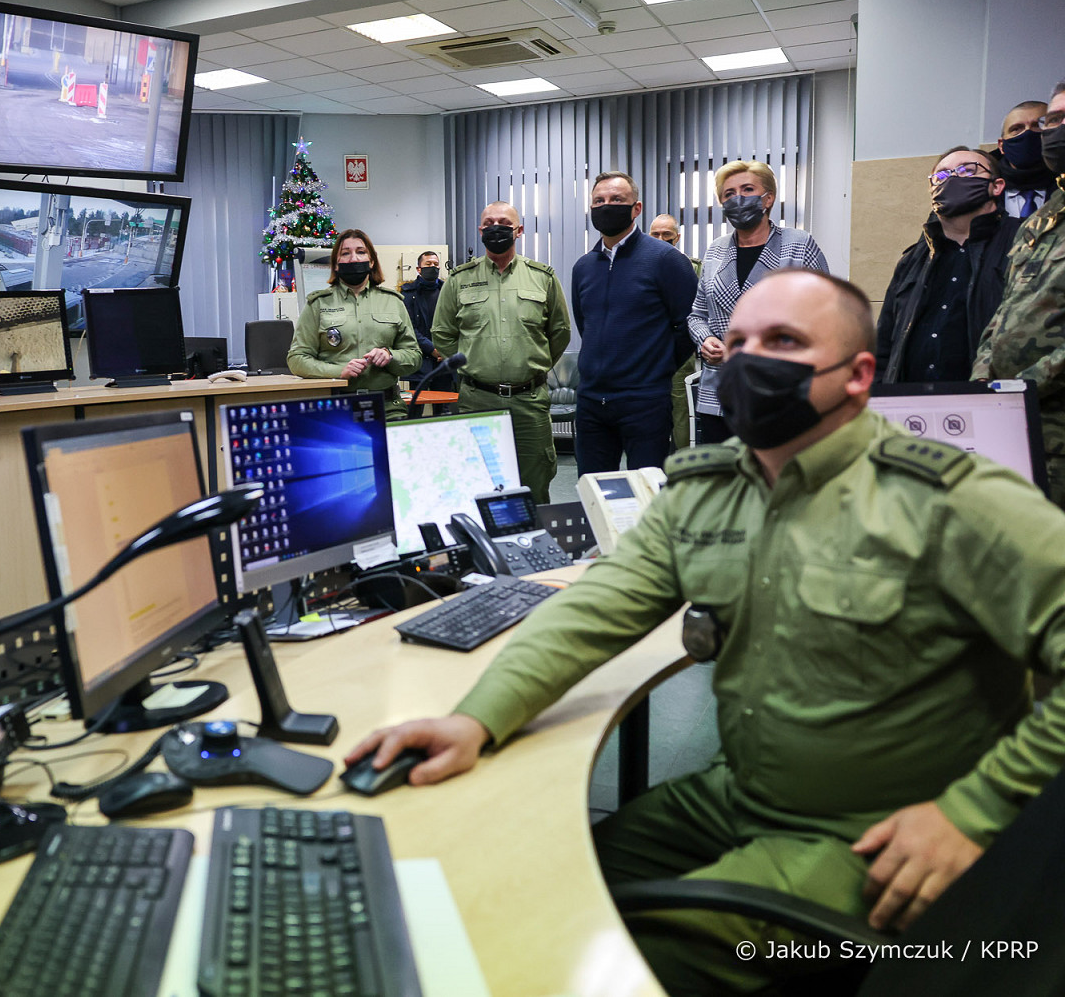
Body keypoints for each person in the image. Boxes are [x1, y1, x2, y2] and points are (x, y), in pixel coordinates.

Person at [350, 268, 1065, 997]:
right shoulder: (706, 491)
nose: (750, 361)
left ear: (857, 377)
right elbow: (593, 610)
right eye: (740, 342)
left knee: (618, 959)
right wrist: (475, 719)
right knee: (549, 878)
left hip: (871, 833)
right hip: (740, 796)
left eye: (783, 342)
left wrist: (972, 816)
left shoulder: (952, 502)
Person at [430, 202, 571, 501]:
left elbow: (560, 332)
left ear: (519, 230)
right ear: (480, 230)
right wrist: (474, 362)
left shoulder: (542, 277)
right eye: (489, 223)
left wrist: (532, 363)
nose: (496, 228)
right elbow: (441, 333)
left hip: (529, 401)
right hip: (477, 400)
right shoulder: (459, 279)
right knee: (477, 485)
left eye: (505, 223)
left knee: (535, 486)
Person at [687, 160, 828, 445]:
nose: (737, 198)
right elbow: (696, 315)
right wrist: (705, 340)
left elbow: (826, 315)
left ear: (768, 198)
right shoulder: (715, 250)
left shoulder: (799, 244)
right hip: (721, 391)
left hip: (781, 391)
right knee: (722, 470)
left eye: (747, 189)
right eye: (728, 194)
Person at [973, 80, 1065, 504]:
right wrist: (982, 383)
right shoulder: (1041, 220)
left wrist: (1022, 388)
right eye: (1054, 121)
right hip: (1015, 427)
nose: (1053, 130)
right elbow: (1005, 312)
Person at [570, 173, 697, 473]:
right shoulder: (584, 267)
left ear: (636, 208)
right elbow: (586, 325)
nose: (606, 206)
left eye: (617, 199)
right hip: (591, 401)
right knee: (593, 489)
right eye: (599, 201)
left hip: (645, 401)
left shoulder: (665, 259)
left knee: (646, 489)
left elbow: (688, 325)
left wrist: (657, 367)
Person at [876, 147, 1020, 383]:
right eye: (941, 175)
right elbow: (884, 346)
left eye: (967, 170)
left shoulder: (1023, 243)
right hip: (912, 399)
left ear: (997, 186)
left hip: (991, 396)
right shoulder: (913, 260)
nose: (952, 178)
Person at [287, 228, 420, 420]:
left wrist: (390, 356)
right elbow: (297, 359)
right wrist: (338, 371)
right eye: (345, 253)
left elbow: (414, 356)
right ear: (336, 264)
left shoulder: (393, 301)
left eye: (361, 252)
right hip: (336, 409)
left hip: (387, 408)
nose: (354, 259)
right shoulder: (318, 304)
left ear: (371, 261)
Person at [650, 214, 702, 451]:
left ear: (677, 237)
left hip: (679, 353)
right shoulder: (637, 265)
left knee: (681, 414)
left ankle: (681, 466)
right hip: (644, 354)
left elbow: (700, 310)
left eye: (667, 235)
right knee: (648, 416)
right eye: (655, 234)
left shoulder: (692, 268)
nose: (661, 239)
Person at [996, 100, 1059, 221]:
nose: (1028, 132)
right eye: (1016, 129)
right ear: (1001, 146)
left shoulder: (1062, 187)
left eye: (1038, 125)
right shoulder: (985, 193)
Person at [401, 251, 452, 392]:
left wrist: (445, 350)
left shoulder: (447, 292)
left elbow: (455, 325)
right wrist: (432, 349)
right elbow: (409, 328)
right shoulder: (408, 294)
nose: (432, 267)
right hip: (419, 360)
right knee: (417, 403)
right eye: (428, 264)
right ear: (419, 269)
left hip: (444, 362)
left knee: (444, 404)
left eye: (436, 264)